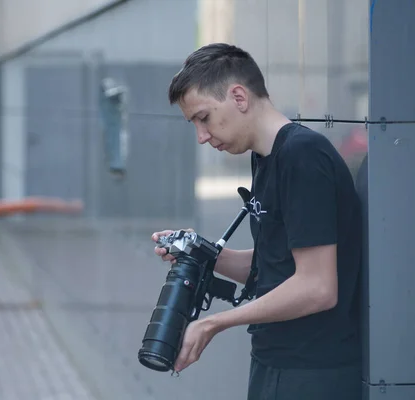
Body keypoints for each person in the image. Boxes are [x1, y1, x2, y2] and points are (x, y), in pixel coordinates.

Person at [151, 43, 362, 400]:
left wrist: (213, 324)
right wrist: (201, 253)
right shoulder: (266, 158)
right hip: (275, 362)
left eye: (203, 118)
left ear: (238, 96)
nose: (201, 136)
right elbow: (274, 266)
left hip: (312, 373)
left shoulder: (302, 155)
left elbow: (318, 287)